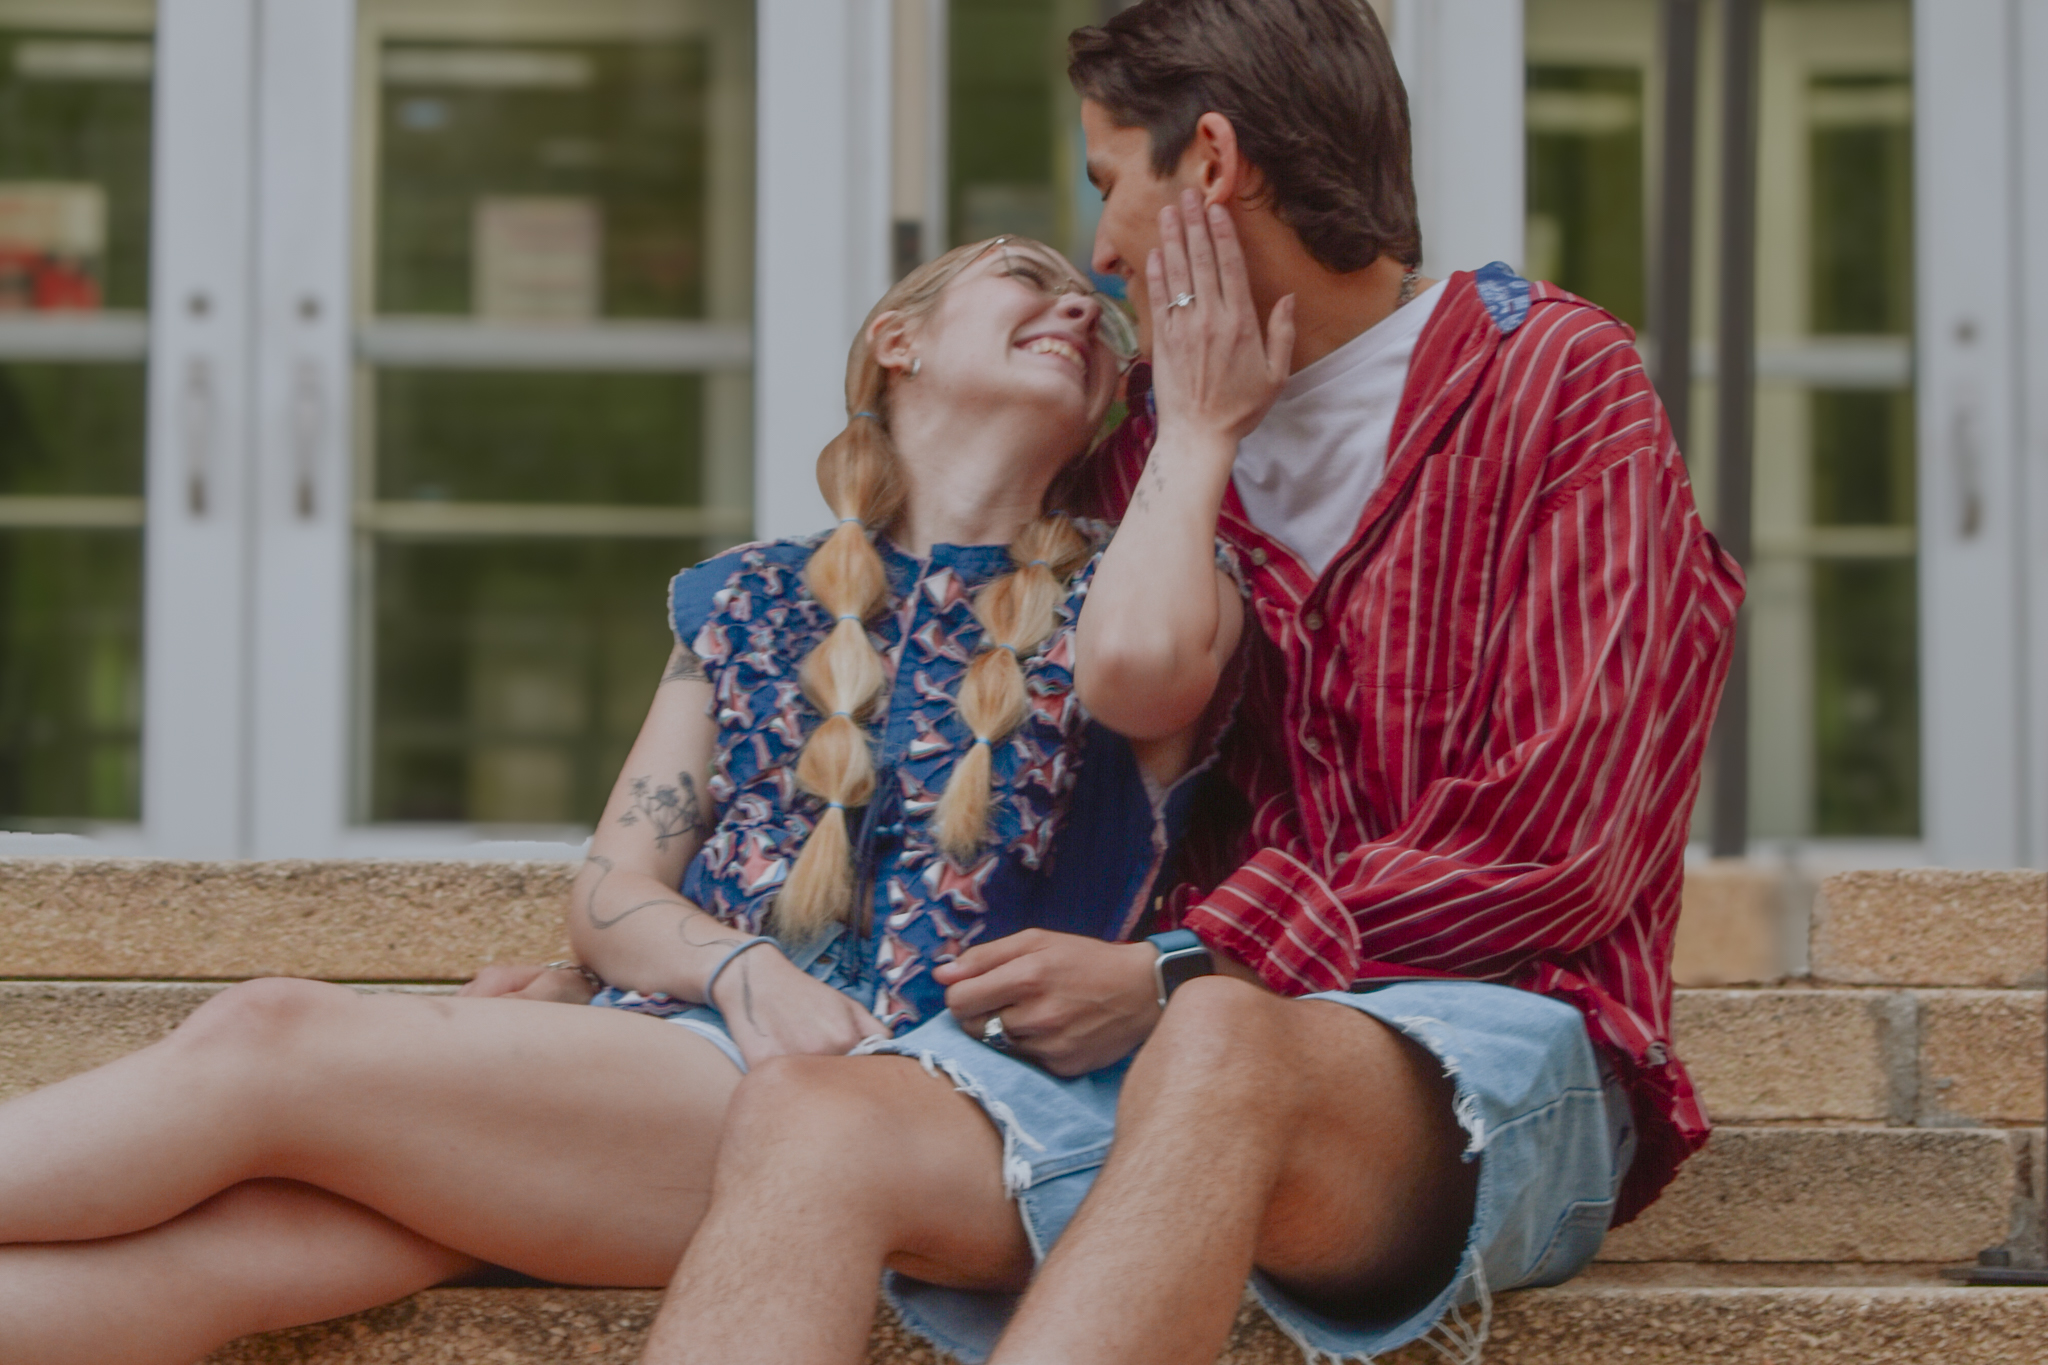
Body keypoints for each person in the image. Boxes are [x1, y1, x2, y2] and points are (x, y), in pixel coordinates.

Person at [637, 3, 1744, 1365]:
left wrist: (1188, 958)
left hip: (1495, 1049)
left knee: (1227, 1037)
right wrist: (647, 951)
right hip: (1156, 1049)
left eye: (1107, 182)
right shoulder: (1141, 458)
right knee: (810, 1115)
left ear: (1210, 162)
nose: (1099, 254)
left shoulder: (1555, 383)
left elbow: (1558, 850)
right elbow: (959, 762)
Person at [0, 234, 1252, 1365]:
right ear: (897, 341)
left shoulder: (1138, 590)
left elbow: (1149, 676)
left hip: (924, 1108)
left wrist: (1196, 427)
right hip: (685, 1071)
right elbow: (611, 890)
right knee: (242, 1251)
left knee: (272, 1033)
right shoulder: (750, 599)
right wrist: (741, 973)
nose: (1075, 309)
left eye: (1097, 314)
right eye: (1027, 279)